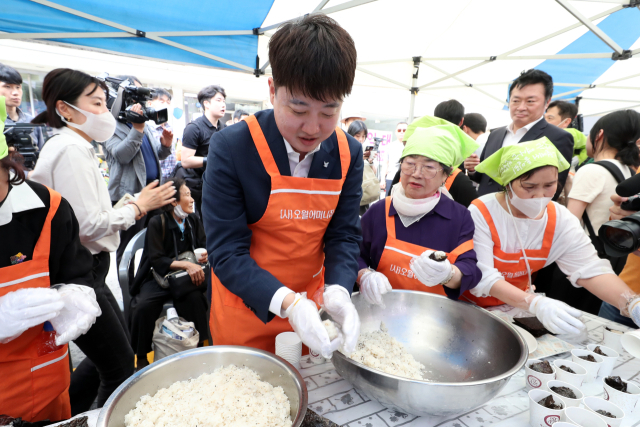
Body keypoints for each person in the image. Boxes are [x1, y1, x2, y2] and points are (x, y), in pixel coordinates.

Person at [203, 14, 362, 358]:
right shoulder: (233, 146)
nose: (313, 127)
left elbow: (344, 235)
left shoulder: (349, 153)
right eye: (299, 108)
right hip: (246, 309)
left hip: (314, 312)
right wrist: (289, 304)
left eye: (329, 111)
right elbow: (226, 251)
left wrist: (338, 289)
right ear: (273, 90)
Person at [28, 68, 176, 412]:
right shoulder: (70, 149)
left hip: (88, 268)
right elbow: (87, 225)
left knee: (105, 356)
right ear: (65, 109)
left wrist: (128, 203)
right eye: (95, 104)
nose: (104, 113)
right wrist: (138, 206)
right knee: (120, 366)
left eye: (104, 104)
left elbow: (87, 211)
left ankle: (67, 415)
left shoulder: (76, 146)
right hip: (77, 271)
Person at [464, 137, 640, 334]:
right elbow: (483, 277)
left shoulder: (560, 218)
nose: (540, 195)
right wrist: (536, 304)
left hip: (515, 308)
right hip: (471, 307)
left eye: (549, 185)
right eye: (529, 187)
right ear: (508, 184)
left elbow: (590, 269)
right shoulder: (482, 211)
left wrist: (631, 303)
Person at [0, 96, 100, 422]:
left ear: (8, 166)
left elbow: (76, 271)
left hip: (48, 392)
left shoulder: (48, 209)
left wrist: (77, 296)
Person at [357, 121, 482, 306]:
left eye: (429, 167)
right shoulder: (379, 211)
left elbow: (471, 270)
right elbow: (351, 253)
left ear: (445, 176)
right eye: (410, 164)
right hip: (381, 313)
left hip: (433, 318)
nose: (416, 173)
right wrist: (363, 275)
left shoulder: (458, 216)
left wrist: (449, 274)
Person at [129, 177, 209, 369]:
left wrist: (204, 255)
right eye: (187, 195)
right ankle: (141, 356)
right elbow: (156, 259)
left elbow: (203, 245)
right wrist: (185, 265)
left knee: (196, 301)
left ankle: (202, 347)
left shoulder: (193, 220)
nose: (192, 200)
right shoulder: (158, 223)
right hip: (159, 278)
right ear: (174, 202)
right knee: (143, 307)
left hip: (184, 281)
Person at [464, 69, 573, 199]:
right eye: (515, 101)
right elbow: (486, 178)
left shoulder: (557, 137)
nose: (521, 107)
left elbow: (553, 189)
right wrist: (472, 169)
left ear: (547, 102)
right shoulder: (495, 134)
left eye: (530, 101)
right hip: (484, 210)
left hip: (522, 215)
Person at [103, 78, 173, 269]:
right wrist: (137, 129)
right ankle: (128, 292)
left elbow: (156, 153)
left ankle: (143, 285)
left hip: (153, 194)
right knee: (127, 249)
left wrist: (166, 146)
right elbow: (122, 155)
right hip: (130, 196)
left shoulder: (143, 123)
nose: (139, 103)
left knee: (153, 244)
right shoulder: (110, 127)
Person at [567, 110, 639, 274]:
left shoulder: (591, 170)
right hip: (616, 253)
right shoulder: (630, 171)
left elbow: (569, 223)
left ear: (599, 135)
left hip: (586, 258)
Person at [389, 116, 478, 207]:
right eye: (406, 146)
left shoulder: (459, 182)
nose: (416, 174)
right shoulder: (402, 173)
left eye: (428, 166)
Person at [179, 85, 226, 217]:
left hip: (216, 186)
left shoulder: (224, 128)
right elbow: (186, 161)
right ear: (206, 103)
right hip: (196, 188)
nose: (223, 104)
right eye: (218, 100)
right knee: (199, 226)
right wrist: (212, 160)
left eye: (223, 101)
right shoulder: (194, 128)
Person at [0, 63, 45, 150]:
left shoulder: (32, 122)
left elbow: (42, 155)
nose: (15, 92)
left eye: (18, 87)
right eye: (8, 86)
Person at [348, 120, 379, 214]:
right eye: (358, 136)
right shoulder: (346, 149)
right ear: (350, 134)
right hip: (350, 194)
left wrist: (370, 161)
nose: (361, 139)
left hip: (364, 193)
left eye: (363, 136)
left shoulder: (364, 149)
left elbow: (373, 172)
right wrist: (360, 159)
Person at [381, 121, 407, 193]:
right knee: (389, 201)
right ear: (396, 132)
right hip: (390, 178)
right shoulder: (389, 146)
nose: (401, 132)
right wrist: (383, 179)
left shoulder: (410, 146)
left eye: (404, 130)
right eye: (399, 130)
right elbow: (385, 163)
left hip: (405, 179)